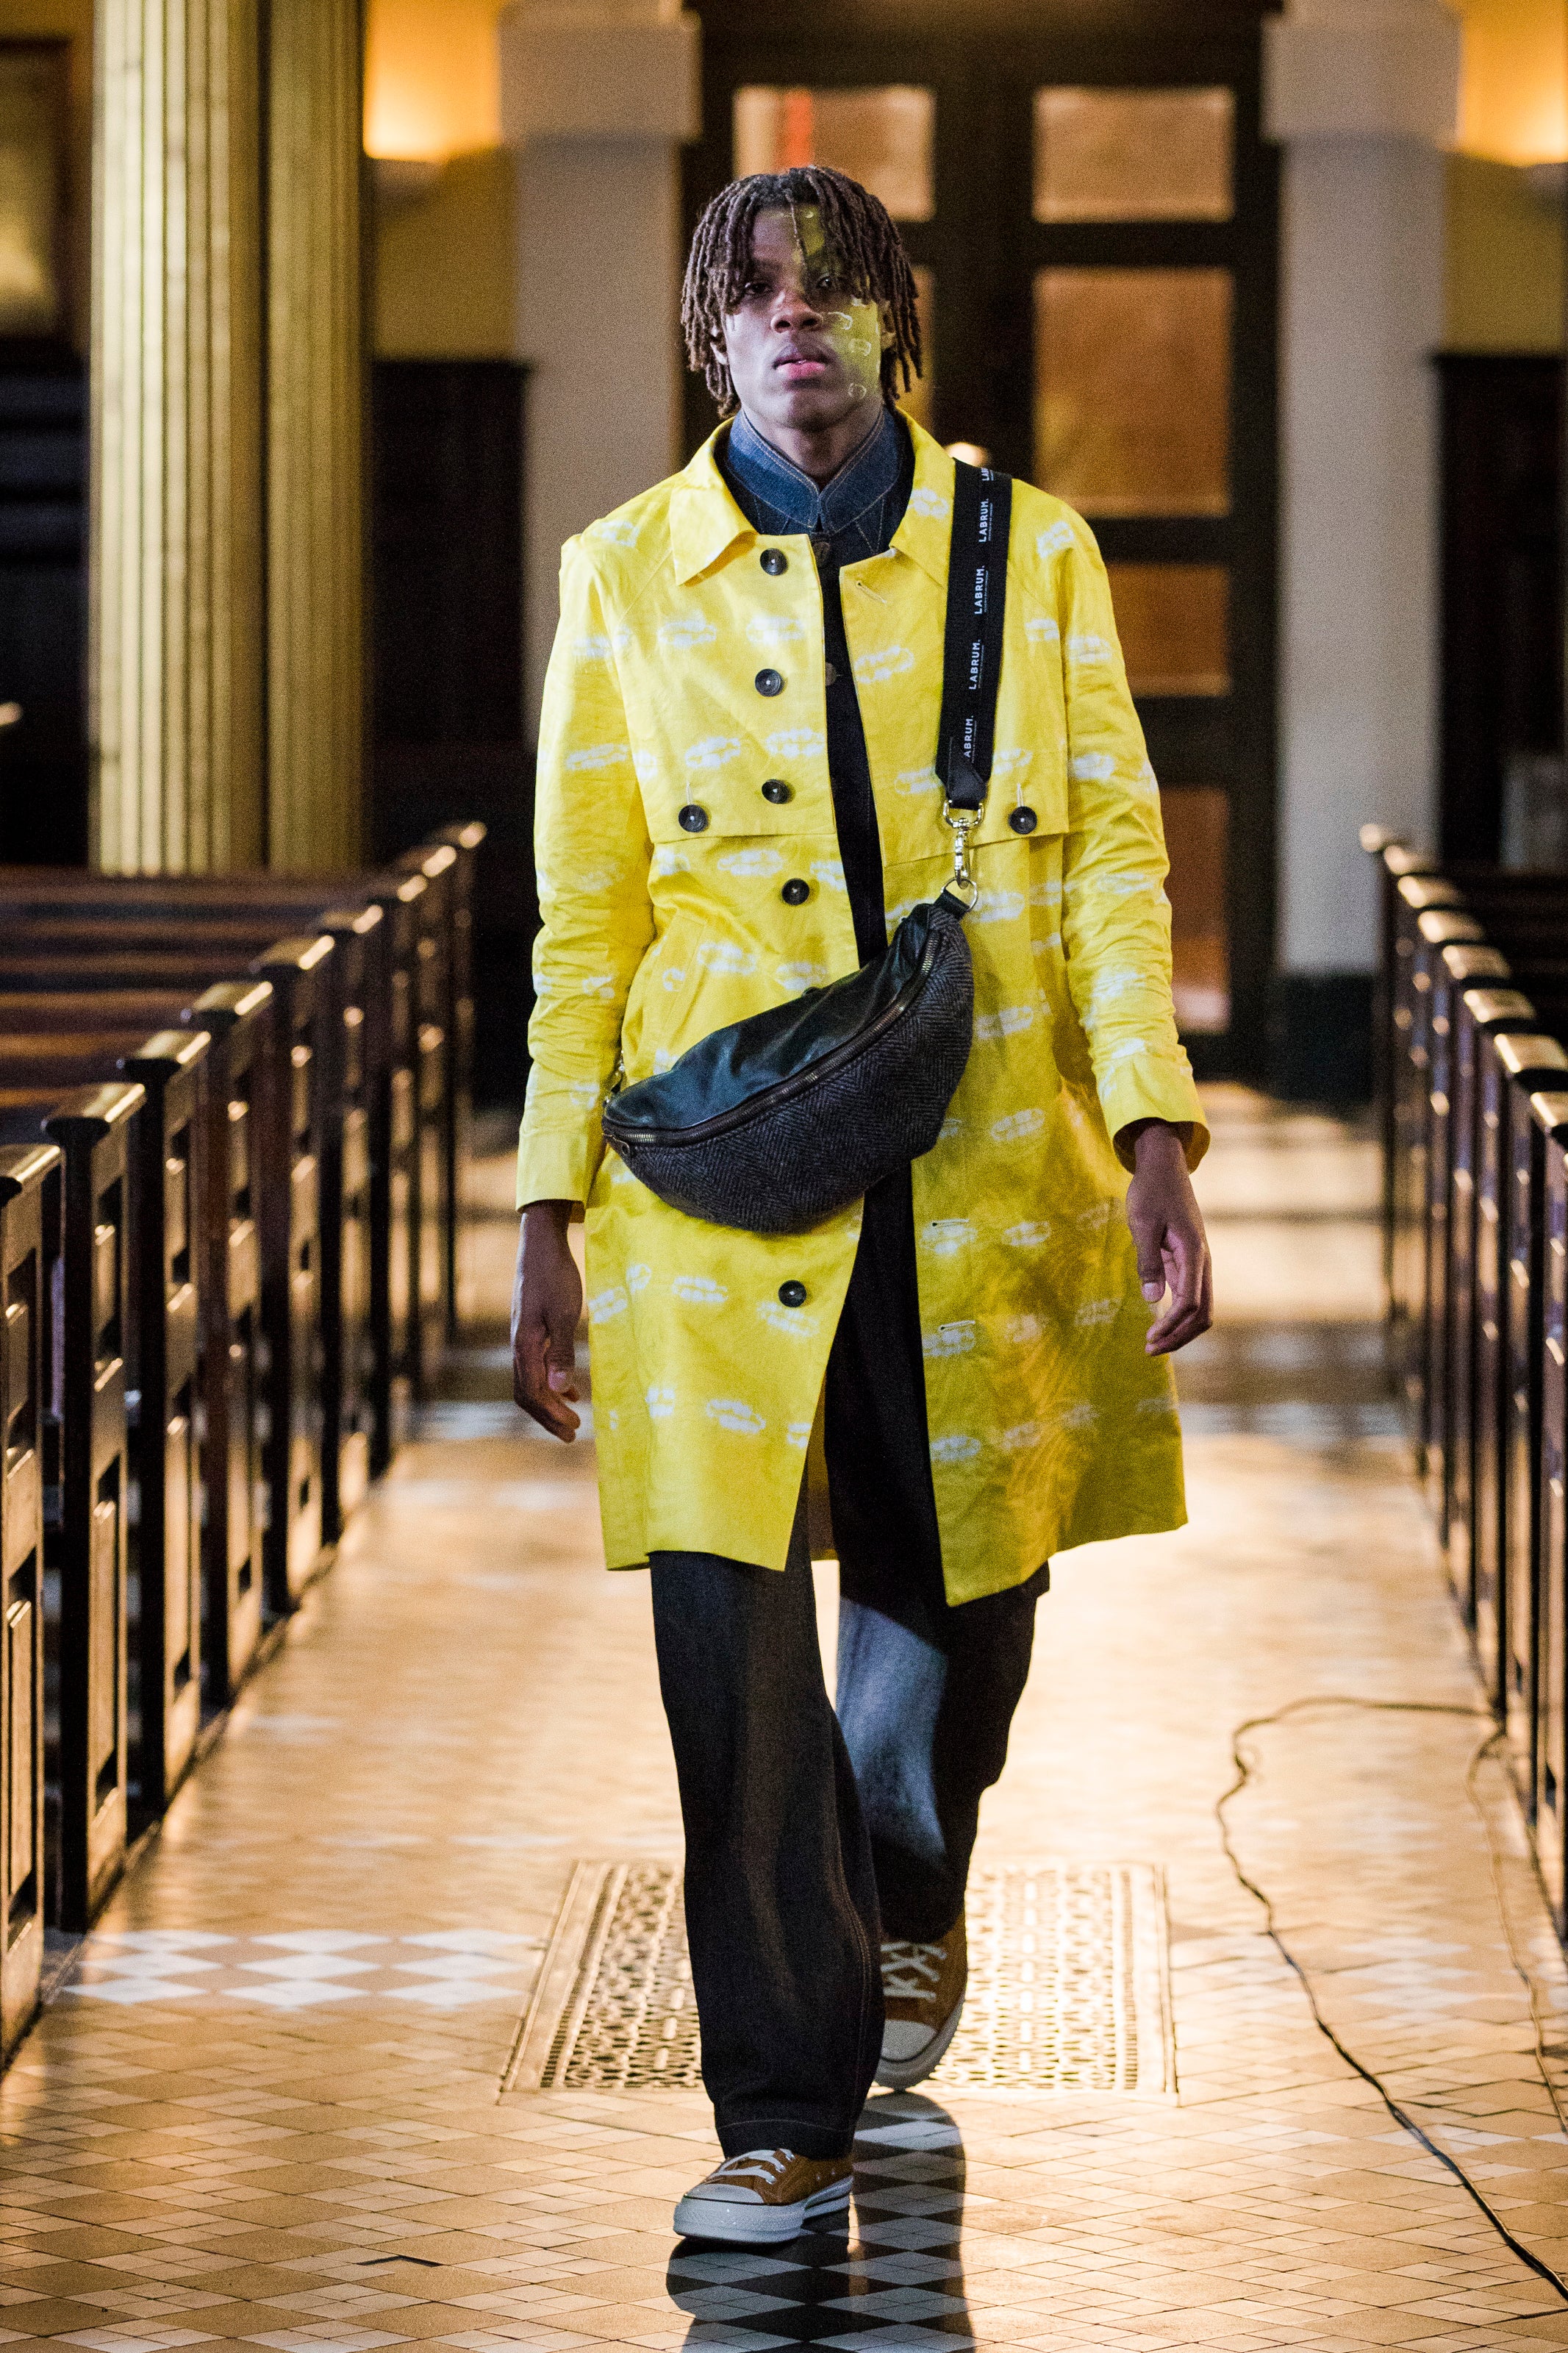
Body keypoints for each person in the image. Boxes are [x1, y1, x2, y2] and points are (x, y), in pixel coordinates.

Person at [512, 164, 1212, 2246]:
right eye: (757, 293)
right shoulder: (626, 572)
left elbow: (1112, 854)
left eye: (831, 286)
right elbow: (584, 914)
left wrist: (1154, 1131)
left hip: (980, 1142)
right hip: (709, 1158)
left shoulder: (1032, 551)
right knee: (726, 1633)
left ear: (894, 314)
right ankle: (783, 2105)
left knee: (965, 1573)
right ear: (711, 335)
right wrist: (546, 1203)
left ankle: (907, 1881)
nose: (795, 318)